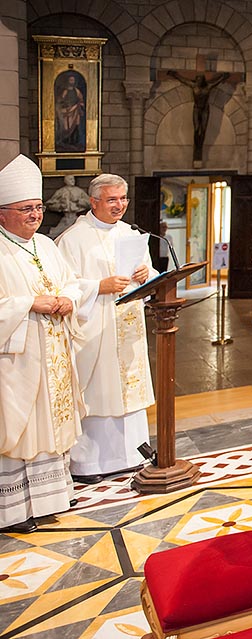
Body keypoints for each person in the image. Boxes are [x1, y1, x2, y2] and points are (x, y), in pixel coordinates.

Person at [0, 155, 84, 533]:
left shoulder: (47, 246)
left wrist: (69, 299)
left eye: (37, 207)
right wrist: (27, 303)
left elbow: (72, 281)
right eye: (25, 209)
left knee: (52, 425)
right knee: (20, 430)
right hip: (17, 361)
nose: (35, 215)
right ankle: (14, 511)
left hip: (53, 353)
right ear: (2, 213)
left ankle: (53, 496)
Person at [56, 174, 156, 485]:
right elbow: (63, 286)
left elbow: (151, 276)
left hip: (128, 327)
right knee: (97, 393)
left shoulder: (132, 234)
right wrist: (99, 286)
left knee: (130, 390)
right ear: (94, 201)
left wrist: (146, 274)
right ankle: (90, 462)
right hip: (94, 329)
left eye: (123, 199)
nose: (119, 205)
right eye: (112, 199)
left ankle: (132, 455)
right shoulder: (72, 239)